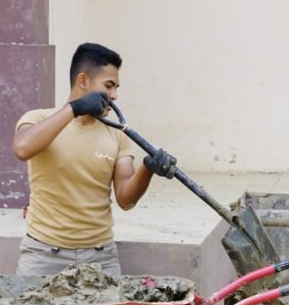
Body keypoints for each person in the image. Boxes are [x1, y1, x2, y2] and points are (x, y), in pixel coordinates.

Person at [12, 43, 178, 278]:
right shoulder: (39, 119)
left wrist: (147, 169)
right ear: (83, 82)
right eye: (109, 86)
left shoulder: (117, 133)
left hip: (100, 257)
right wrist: (74, 109)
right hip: (43, 256)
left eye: (117, 88)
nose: (114, 96)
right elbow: (22, 148)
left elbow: (125, 199)